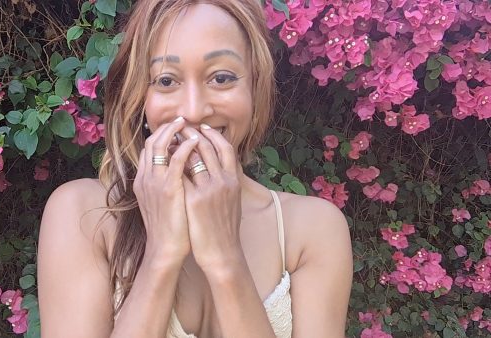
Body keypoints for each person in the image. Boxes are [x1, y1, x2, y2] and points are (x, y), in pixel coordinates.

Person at [37, 0, 353, 337]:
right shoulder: (85, 215)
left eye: (221, 77)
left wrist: (225, 258)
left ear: (255, 88)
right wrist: (161, 255)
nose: (193, 110)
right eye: (166, 80)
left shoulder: (313, 229)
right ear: (141, 97)